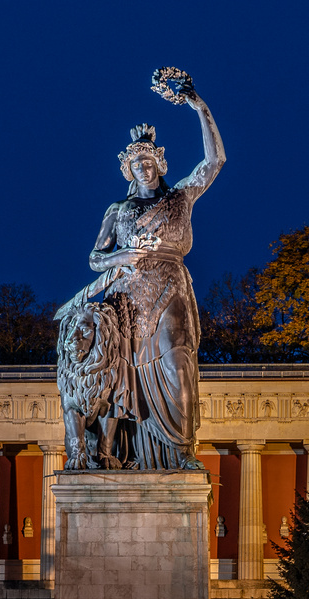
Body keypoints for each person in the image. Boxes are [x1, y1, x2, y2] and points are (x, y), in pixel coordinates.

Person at [60, 73, 226, 469]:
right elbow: (95, 258)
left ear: (159, 163)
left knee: (178, 367)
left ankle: (182, 453)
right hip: (128, 301)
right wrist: (121, 258)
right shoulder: (117, 211)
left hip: (170, 291)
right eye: (136, 164)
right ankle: (117, 453)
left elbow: (215, 161)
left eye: (148, 162)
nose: (144, 169)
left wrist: (198, 106)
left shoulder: (180, 197)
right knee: (123, 383)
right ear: (128, 171)